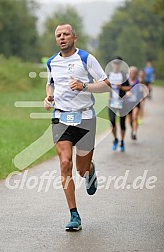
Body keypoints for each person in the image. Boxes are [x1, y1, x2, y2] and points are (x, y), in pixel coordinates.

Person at [44, 23, 111, 231]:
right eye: (58, 35)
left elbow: (106, 84)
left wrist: (84, 86)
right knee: (65, 164)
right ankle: (74, 214)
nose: (62, 37)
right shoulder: (51, 62)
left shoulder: (86, 58)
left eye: (66, 34)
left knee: (80, 170)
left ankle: (90, 169)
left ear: (74, 37)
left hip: (85, 118)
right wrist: (48, 96)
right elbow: (51, 83)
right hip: (61, 118)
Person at [108, 56, 130, 152]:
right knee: (112, 121)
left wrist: (120, 87)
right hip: (112, 102)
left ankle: (122, 141)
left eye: (118, 63)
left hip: (122, 102)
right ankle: (115, 139)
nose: (116, 65)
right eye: (114, 63)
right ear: (112, 64)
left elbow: (129, 87)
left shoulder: (124, 75)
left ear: (120, 64)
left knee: (122, 123)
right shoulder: (109, 75)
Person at [128, 66, 140, 140]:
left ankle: (135, 132)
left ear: (136, 74)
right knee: (130, 120)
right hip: (128, 103)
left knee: (134, 117)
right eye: (131, 73)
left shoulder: (138, 82)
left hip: (135, 102)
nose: (132, 74)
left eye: (134, 73)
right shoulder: (126, 81)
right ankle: (132, 129)